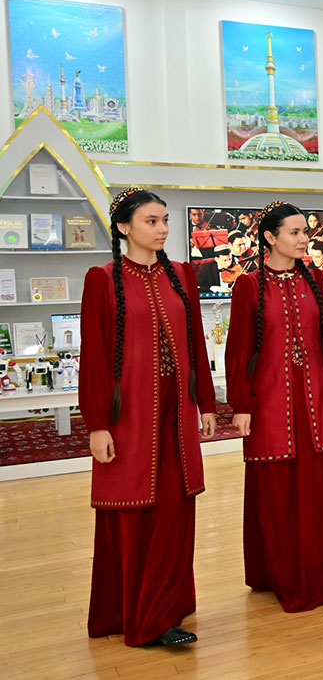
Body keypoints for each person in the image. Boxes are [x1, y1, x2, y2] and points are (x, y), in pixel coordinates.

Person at [80, 187, 217, 647]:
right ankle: (140, 617)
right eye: (151, 221)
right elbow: (95, 357)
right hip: (129, 419)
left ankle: (165, 608)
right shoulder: (102, 279)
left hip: (177, 416)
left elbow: (196, 344)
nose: (162, 230)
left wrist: (207, 404)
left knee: (175, 511)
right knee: (133, 512)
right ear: (124, 227)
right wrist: (97, 424)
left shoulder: (181, 275)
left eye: (164, 221)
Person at [225, 201, 323, 612]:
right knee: (278, 494)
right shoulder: (249, 286)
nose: (305, 239)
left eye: (306, 231)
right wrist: (241, 404)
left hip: (317, 399)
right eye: (295, 232)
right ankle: (286, 577)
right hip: (270, 404)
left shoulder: (315, 280)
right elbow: (238, 350)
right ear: (270, 238)